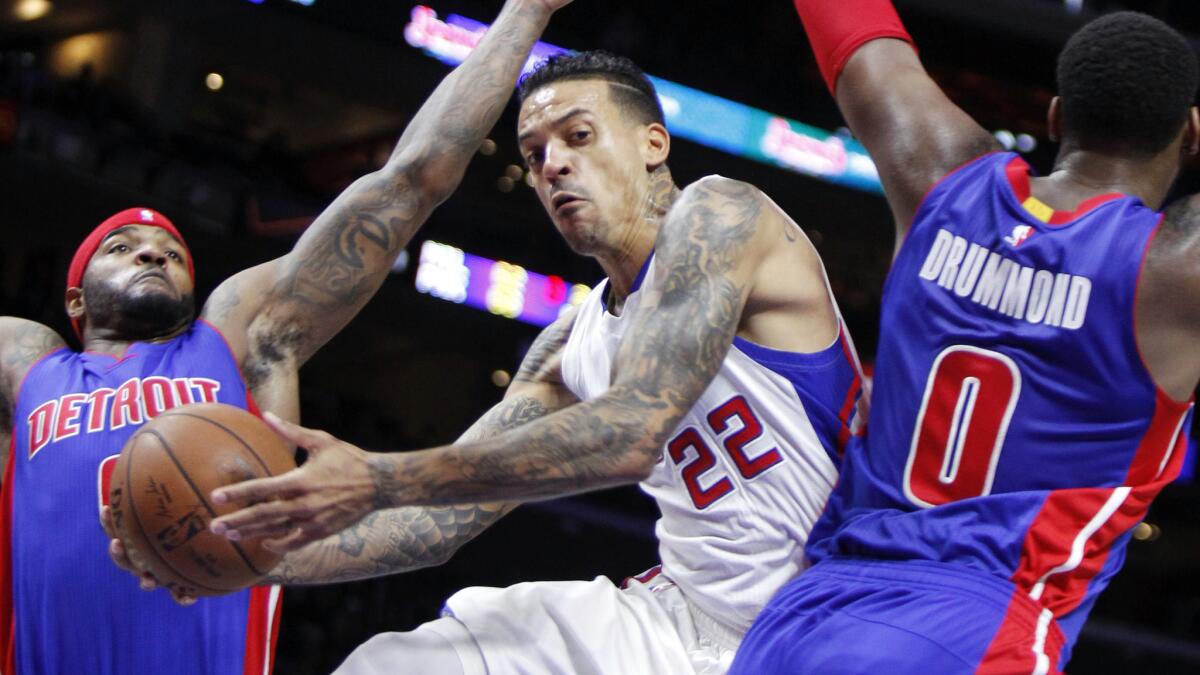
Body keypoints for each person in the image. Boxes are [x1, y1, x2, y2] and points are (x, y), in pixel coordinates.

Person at [203, 51, 866, 675]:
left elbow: (632, 429)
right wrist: (241, 557)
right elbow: (435, 525)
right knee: (396, 663)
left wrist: (375, 476)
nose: (551, 164)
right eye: (534, 153)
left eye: (578, 136)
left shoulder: (723, 214)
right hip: (681, 620)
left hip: (831, 618)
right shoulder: (570, 346)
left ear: (652, 144)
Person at [0, 0, 571, 672]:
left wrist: (524, 13)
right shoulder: (25, 362)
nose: (154, 254)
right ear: (74, 295)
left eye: (173, 251)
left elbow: (409, 181)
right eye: (123, 246)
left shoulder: (239, 337)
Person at [727, 5, 1200, 675]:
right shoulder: (1176, 272)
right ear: (1192, 134)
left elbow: (858, 34)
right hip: (978, 629)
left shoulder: (939, 175)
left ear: (1058, 116)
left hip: (806, 615)